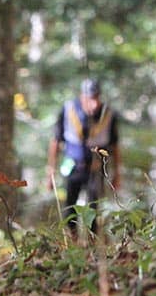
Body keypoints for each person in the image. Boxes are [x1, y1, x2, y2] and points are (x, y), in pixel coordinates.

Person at [47, 78, 121, 234]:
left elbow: (115, 145)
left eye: (96, 98)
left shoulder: (108, 114)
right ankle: (72, 240)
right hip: (73, 168)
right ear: (81, 96)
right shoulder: (68, 110)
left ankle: (93, 243)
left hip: (96, 169)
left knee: (94, 208)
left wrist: (117, 173)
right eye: (89, 98)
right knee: (70, 208)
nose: (93, 103)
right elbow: (55, 141)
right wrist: (51, 170)